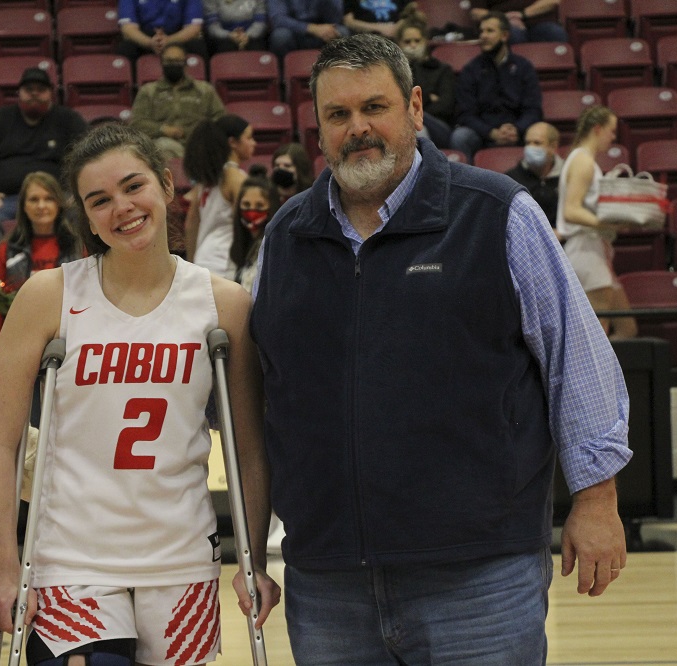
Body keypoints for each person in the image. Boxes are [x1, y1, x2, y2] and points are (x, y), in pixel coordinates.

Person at [250, 34, 631, 664]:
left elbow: (577, 358)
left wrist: (595, 498)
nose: (358, 129)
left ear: (416, 108)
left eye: (375, 107)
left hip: (479, 574)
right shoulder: (287, 237)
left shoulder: (498, 213)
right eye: (338, 115)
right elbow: (263, 394)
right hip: (328, 577)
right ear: (317, 128)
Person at [0, 122, 280, 666]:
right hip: (73, 559)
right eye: (100, 200)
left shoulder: (224, 304)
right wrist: (4, 566)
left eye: (133, 186)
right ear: (86, 216)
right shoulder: (50, 295)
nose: (122, 207)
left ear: (166, 185)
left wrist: (252, 560)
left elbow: (248, 449)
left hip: (182, 558)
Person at [0, 67, 88, 223]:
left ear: (51, 93)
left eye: (41, 89)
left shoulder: (69, 119)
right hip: (6, 200)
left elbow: (88, 157)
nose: (34, 94)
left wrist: (77, 193)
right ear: (19, 93)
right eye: (29, 89)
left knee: (79, 215)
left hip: (57, 197)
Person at [556, 105, 638, 340]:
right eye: (611, 131)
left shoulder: (583, 160)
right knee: (595, 337)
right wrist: (608, 225)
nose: (613, 138)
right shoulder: (582, 161)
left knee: (627, 329)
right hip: (585, 251)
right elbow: (572, 211)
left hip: (596, 250)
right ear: (598, 129)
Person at [0, 171, 82, 355]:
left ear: (59, 204)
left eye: (49, 199)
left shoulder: (78, 246)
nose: (41, 206)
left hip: (69, 341)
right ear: (24, 206)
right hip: (19, 341)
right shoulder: (7, 250)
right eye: (34, 199)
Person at [450, 11, 543, 163]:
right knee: (461, 136)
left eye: (490, 31)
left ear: (505, 36)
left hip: (518, 130)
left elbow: (533, 109)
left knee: (543, 131)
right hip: (483, 132)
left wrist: (516, 129)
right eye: (481, 31)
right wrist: (491, 132)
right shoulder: (471, 70)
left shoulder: (523, 67)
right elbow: (465, 114)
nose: (483, 36)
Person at [183, 115, 256, 279]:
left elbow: (190, 225)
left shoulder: (205, 179)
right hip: (226, 264)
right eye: (249, 137)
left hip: (203, 260)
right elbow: (248, 225)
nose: (254, 143)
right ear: (232, 143)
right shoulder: (236, 178)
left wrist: (191, 264)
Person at [129, 44, 226, 161]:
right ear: (162, 63)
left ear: (185, 64)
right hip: (165, 145)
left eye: (177, 61)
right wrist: (162, 129)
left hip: (199, 144)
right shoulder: (148, 91)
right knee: (164, 146)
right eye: (169, 61)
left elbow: (220, 118)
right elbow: (137, 122)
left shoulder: (204, 90)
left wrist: (202, 133)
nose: (173, 65)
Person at [397, 17, 456, 149]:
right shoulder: (395, 72)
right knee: (416, 128)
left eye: (417, 41)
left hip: (439, 126)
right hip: (407, 124)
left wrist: (415, 109)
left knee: (415, 123)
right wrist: (430, 97)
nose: (413, 45)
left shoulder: (442, 69)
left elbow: (446, 105)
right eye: (407, 41)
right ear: (399, 43)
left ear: (425, 41)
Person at [506, 120, 563, 225]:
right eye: (528, 143)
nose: (530, 148)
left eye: (537, 143)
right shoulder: (511, 179)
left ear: (553, 147)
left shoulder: (568, 176)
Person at [230, 174, 278, 293]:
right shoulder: (239, 245)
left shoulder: (275, 246)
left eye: (259, 205)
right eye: (246, 205)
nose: (251, 211)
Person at [117, 0, 208, 62]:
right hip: (144, 37)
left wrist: (169, 41)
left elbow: (193, 27)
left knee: (198, 47)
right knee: (125, 49)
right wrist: (149, 42)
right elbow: (128, 28)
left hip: (177, 36)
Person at [267, 0, 349, 59]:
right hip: (294, 32)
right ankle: (283, 80)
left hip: (322, 32)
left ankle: (337, 78)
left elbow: (335, 20)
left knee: (342, 32)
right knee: (280, 36)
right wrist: (310, 28)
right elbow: (278, 19)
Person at [469, 0, 568, 44]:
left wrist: (522, 14)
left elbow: (553, 1)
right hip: (503, 23)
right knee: (512, 35)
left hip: (539, 19)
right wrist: (505, 18)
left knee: (555, 33)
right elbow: (476, 12)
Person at [202, 0, 269, 53]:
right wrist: (229, 35)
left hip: (252, 34)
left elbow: (260, 22)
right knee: (225, 47)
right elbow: (212, 26)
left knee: (257, 47)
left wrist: (247, 35)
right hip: (224, 36)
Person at [343, 0, 417, 39]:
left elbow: (410, 13)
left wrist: (395, 28)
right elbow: (348, 21)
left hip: (398, 34)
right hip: (364, 36)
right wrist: (379, 28)